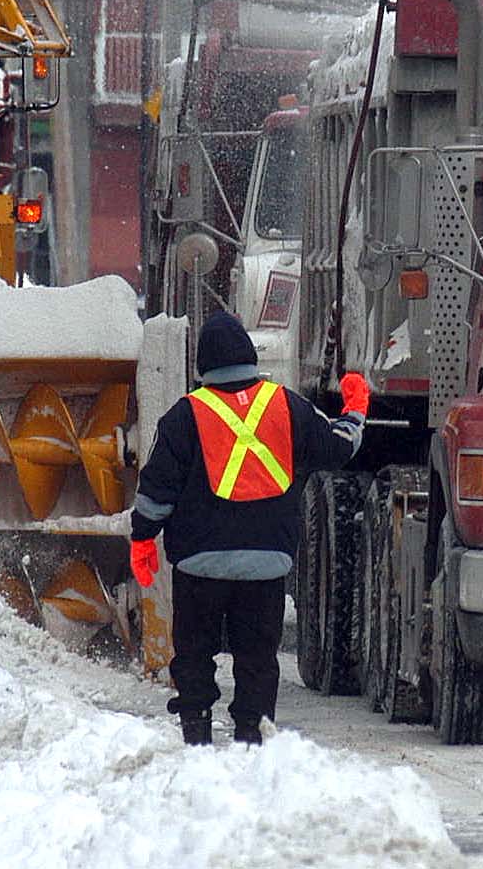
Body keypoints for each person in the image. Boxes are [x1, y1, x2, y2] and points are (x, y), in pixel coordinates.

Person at [130, 310, 369, 747]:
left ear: (203, 365)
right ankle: (251, 742)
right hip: (266, 565)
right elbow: (337, 448)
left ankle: (197, 730)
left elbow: (157, 488)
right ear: (248, 357)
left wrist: (143, 536)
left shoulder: (185, 415)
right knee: (258, 660)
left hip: (199, 566)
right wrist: (355, 411)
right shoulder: (286, 405)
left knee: (195, 655)